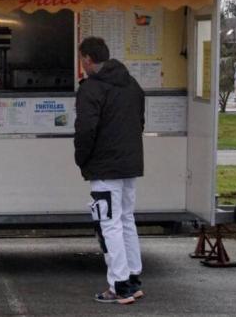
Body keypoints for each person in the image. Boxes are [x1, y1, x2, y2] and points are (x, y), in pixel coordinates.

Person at [74, 37, 146, 305]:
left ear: (87, 59)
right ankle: (133, 279)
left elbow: (85, 130)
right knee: (126, 219)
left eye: (81, 59)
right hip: (129, 164)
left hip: (104, 167)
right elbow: (140, 120)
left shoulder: (91, 89)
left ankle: (119, 286)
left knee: (108, 225)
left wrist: (82, 159)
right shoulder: (131, 83)